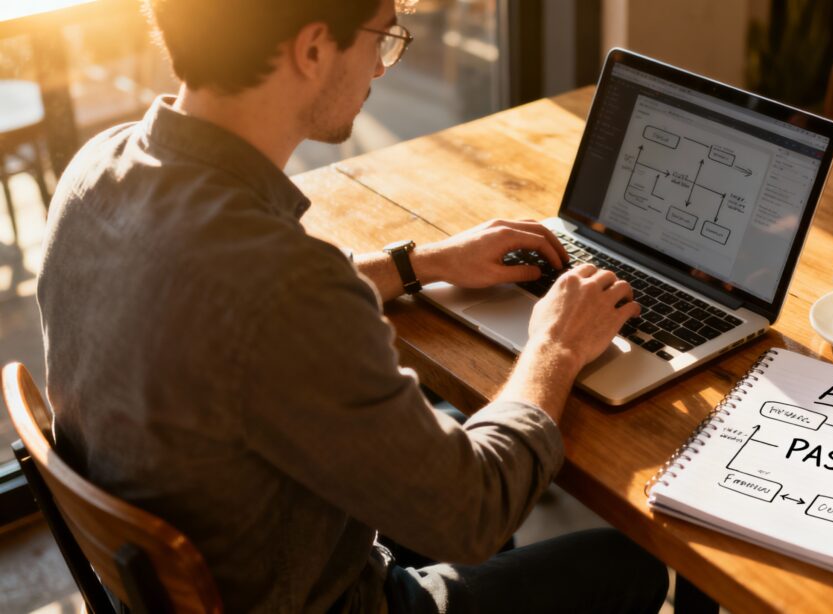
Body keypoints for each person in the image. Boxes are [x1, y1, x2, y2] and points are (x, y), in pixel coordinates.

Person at [37, 0, 669, 611]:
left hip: (210, 565)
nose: (380, 66)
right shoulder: (283, 285)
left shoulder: (95, 170)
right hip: (326, 595)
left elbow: (245, 309)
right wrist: (555, 345)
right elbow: (475, 513)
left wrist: (420, 264)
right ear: (313, 48)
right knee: (628, 565)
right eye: (381, 37)